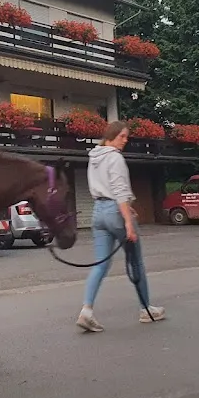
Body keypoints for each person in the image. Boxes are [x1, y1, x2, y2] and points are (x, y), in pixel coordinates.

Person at [76, 120, 165, 332]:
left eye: (126, 137)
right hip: (115, 212)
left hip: (98, 212)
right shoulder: (115, 158)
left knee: (101, 264)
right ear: (111, 136)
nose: (125, 141)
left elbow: (104, 189)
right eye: (121, 136)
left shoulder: (94, 157)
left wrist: (126, 209)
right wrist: (128, 222)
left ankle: (86, 311)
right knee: (136, 262)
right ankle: (146, 309)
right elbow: (119, 191)